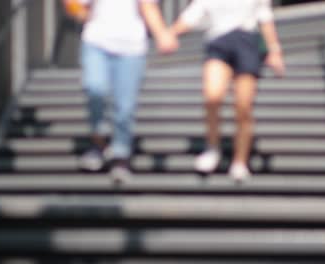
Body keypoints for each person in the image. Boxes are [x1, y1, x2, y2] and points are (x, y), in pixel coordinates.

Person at [171, 0, 286, 181]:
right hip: (219, 41)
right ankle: (212, 148)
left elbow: (265, 17)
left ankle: (240, 161)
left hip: (246, 42)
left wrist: (274, 51)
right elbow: (191, 15)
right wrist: (169, 34)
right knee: (212, 96)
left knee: (243, 106)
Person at [66, 0, 179, 179]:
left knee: (124, 106)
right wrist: (80, 13)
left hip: (131, 47)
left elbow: (148, 6)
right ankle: (99, 144)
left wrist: (161, 34)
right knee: (95, 88)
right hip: (96, 41)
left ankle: (121, 154)